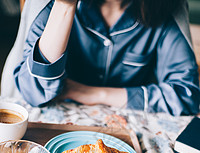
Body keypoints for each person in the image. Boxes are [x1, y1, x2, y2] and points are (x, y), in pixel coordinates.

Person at [12, 0, 200, 115]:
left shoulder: (167, 7)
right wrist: (64, 6)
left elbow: (186, 95)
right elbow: (34, 93)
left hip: (130, 131)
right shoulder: (50, 4)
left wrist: (92, 93)